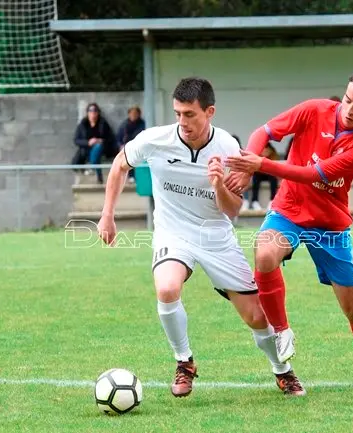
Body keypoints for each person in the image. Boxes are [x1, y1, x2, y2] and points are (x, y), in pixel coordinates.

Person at [97, 77, 306, 398]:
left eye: (190, 114)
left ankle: (283, 372)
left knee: (256, 316)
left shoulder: (228, 149)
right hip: (172, 232)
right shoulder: (155, 139)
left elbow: (233, 210)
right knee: (166, 288)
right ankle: (184, 363)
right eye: (178, 113)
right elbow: (119, 165)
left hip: (216, 236)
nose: (183, 122)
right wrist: (107, 214)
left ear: (209, 112)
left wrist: (219, 185)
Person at [225, 67, 353, 388]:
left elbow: (314, 174)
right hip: (288, 208)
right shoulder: (314, 109)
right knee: (264, 255)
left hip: (330, 222)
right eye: (347, 100)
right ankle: (281, 329)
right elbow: (265, 132)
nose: (349, 110)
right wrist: (249, 163)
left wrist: (261, 165)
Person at [72, 103, 118, 184]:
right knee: (94, 151)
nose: (93, 113)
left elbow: (111, 138)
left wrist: (100, 140)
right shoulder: (83, 124)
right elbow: (76, 140)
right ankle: (98, 175)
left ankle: (93, 167)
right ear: (87, 113)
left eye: (95, 111)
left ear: (98, 113)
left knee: (97, 147)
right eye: (90, 111)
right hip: (86, 149)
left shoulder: (103, 123)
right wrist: (88, 142)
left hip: (102, 149)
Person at [117, 105, 147, 183]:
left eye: (135, 113)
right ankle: (130, 176)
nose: (133, 115)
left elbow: (140, 135)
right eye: (132, 113)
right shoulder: (125, 124)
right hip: (126, 146)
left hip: (138, 146)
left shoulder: (142, 123)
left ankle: (136, 176)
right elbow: (119, 137)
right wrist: (120, 145)